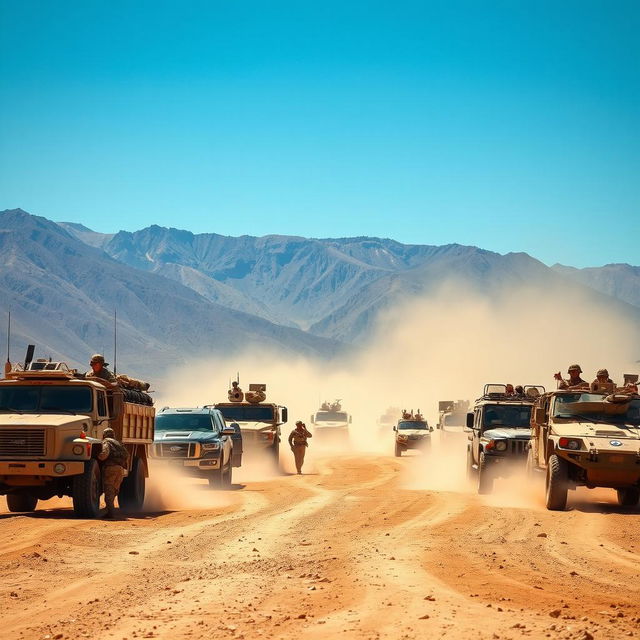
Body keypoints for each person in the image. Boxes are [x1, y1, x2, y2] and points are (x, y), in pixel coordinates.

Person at [97, 427, 129, 518]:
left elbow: (104, 455)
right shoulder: (118, 443)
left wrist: (97, 457)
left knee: (108, 491)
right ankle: (109, 509)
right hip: (120, 470)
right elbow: (126, 455)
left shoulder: (107, 442)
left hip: (110, 469)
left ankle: (110, 513)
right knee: (114, 490)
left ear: (104, 435)